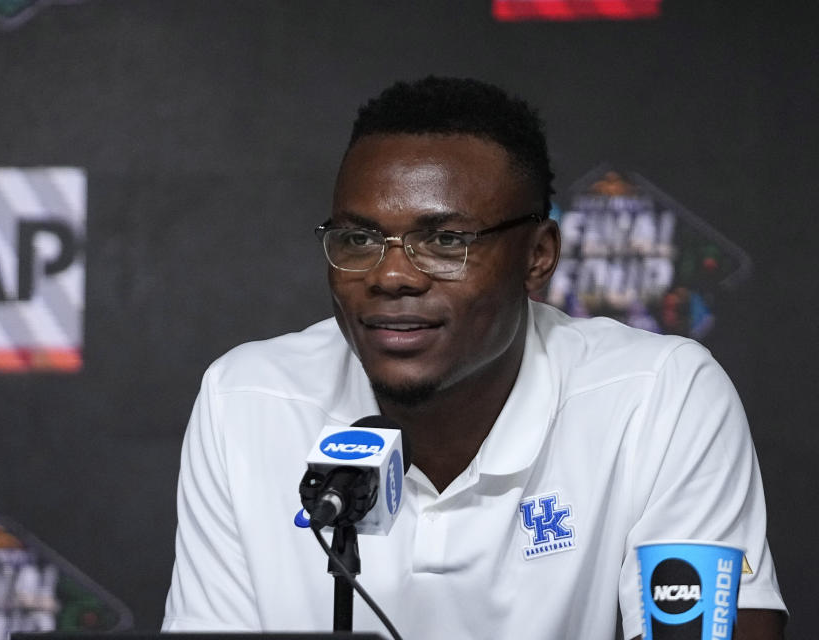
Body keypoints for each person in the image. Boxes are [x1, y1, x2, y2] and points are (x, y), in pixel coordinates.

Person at [162, 76, 786, 639]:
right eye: (358, 239)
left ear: (538, 257)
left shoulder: (659, 396)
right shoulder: (245, 400)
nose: (392, 276)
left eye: (445, 241)